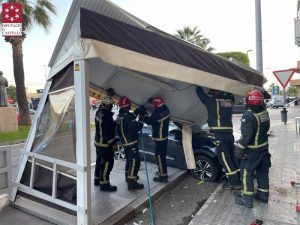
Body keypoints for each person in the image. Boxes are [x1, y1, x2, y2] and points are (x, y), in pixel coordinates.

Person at [195, 86, 240, 189]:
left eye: (212, 92)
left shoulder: (212, 102)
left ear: (215, 92)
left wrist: (197, 85)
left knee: (224, 159)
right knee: (232, 157)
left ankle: (234, 182)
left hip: (220, 134)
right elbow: (231, 96)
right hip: (229, 134)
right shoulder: (229, 101)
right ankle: (238, 176)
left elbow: (201, 95)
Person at [235, 90, 271, 208]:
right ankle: (263, 196)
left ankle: (247, 199)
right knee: (262, 172)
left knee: (246, 173)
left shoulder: (248, 115)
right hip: (264, 149)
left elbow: (246, 136)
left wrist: (239, 151)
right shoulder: (264, 111)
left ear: (249, 101)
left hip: (252, 151)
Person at [116, 96, 144, 190]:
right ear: (129, 105)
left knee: (129, 160)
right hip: (131, 143)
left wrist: (136, 112)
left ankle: (128, 177)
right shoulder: (127, 116)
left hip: (125, 143)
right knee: (135, 162)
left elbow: (129, 120)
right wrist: (141, 119)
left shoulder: (120, 116)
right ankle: (132, 183)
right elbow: (136, 127)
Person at [142, 97, 170, 182]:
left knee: (159, 157)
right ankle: (162, 172)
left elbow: (149, 121)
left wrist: (144, 114)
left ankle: (163, 177)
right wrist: (152, 102)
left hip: (159, 139)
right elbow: (157, 109)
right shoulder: (166, 108)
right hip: (164, 137)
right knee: (162, 156)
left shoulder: (157, 113)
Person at [94, 96, 117, 192]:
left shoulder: (99, 111)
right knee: (107, 163)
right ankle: (104, 184)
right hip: (105, 145)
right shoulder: (107, 116)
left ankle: (97, 179)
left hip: (98, 142)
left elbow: (103, 127)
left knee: (99, 161)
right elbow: (107, 132)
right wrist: (113, 144)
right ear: (109, 106)